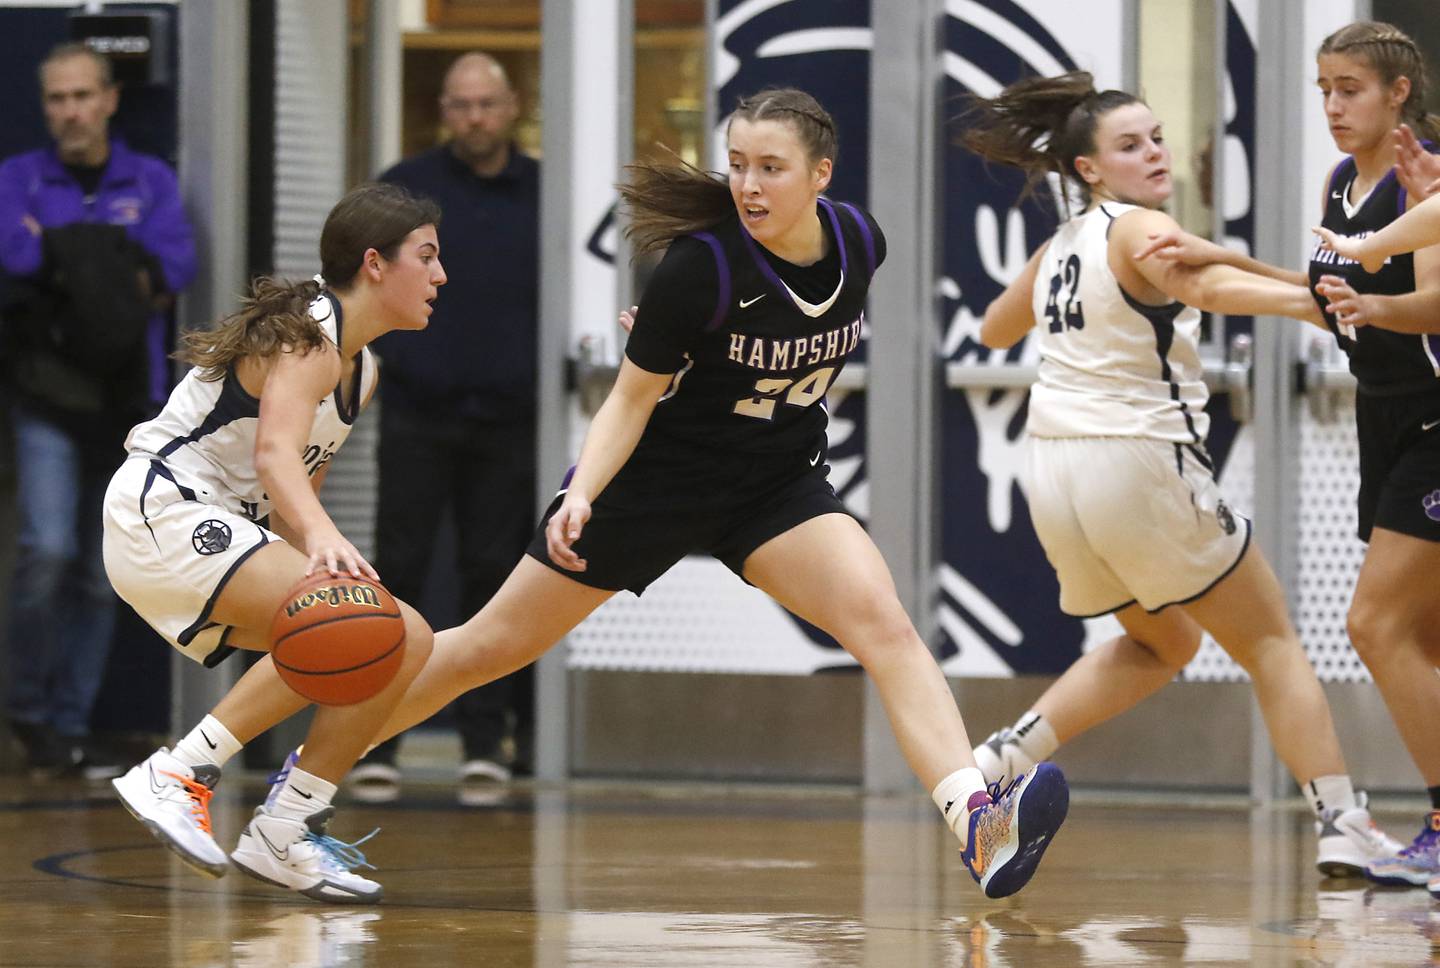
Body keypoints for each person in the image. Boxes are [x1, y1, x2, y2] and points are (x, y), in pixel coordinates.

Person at [329, 87, 1070, 900]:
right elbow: (630, 399)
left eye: (771, 169)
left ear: (821, 174)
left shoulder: (861, 241)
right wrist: (582, 492)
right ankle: (305, 783)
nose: (749, 185)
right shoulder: (700, 268)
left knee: (887, 626)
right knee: (481, 650)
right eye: (739, 165)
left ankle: (977, 823)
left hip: (772, 485)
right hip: (654, 487)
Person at [958, 69, 1403, 878]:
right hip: (1134, 462)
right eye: (1130, 145)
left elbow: (993, 330)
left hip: (1054, 473)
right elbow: (1197, 282)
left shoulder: (1062, 244)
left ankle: (996, 766)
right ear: (1090, 167)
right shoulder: (1136, 230)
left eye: (1157, 136)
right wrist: (1303, 301)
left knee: (1161, 641)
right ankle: (1344, 823)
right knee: (1271, 638)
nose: (1155, 153)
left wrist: (1266, 279)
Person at [1135, 22, 1440, 898]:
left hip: (1433, 423)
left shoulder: (1423, 184)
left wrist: (1377, 312)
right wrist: (1215, 255)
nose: (1336, 106)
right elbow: (1324, 291)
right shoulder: (1343, 182)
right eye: (1324, 88)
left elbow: (1428, 305)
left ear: (1397, 96)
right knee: (1422, 637)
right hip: (1386, 425)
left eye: (1352, 88)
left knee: (1374, 626)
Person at [103, 183, 442, 903]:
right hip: (162, 507)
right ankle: (178, 772)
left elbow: (293, 494)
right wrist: (328, 546)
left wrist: (334, 557)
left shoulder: (364, 367)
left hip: (217, 522)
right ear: (376, 265)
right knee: (349, 621)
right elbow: (273, 457)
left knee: (401, 636)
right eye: (429, 256)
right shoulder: (308, 334)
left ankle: (285, 828)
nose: (441, 276)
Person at [0, 43, 197, 776]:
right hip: (45, 395)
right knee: (46, 551)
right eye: (57, 98)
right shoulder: (18, 178)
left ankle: (71, 724)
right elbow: (10, 260)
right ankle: (27, 710)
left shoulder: (150, 179)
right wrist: (117, 262)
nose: (71, 111)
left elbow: (176, 266)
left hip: (127, 401)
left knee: (100, 568)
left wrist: (59, 253)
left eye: (83, 95)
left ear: (110, 98)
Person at [353, 51, 539, 804]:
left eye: (486, 104)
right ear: (443, 112)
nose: (474, 118)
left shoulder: (546, 191)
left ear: (512, 105)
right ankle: (374, 738)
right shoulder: (406, 189)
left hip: (510, 418)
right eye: (460, 105)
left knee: (492, 578)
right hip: (418, 413)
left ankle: (484, 744)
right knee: (395, 572)